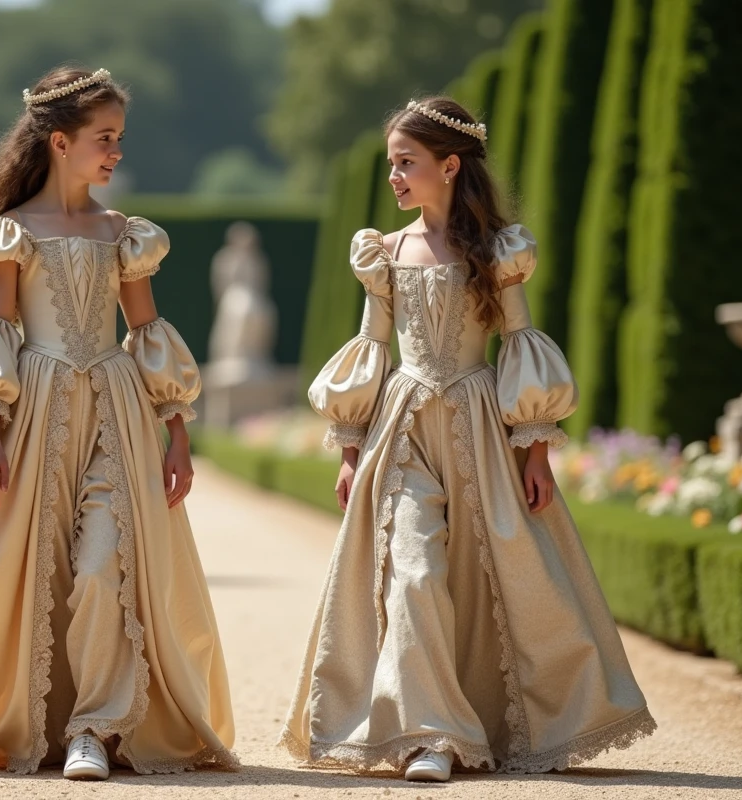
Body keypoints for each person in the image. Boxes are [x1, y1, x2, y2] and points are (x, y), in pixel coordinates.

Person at [0, 66, 237, 781]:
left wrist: (176, 431)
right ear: (60, 142)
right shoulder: (8, 233)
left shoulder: (126, 234)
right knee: (35, 574)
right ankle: (53, 723)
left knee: (100, 567)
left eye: (119, 137)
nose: (116, 151)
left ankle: (95, 727)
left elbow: (146, 332)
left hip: (116, 411)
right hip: (35, 412)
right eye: (105, 138)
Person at [280, 97, 655, 782]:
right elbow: (372, 347)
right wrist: (349, 446)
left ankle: (500, 718)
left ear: (449, 166)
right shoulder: (383, 252)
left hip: (482, 427)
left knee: (502, 578)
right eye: (392, 163)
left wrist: (536, 448)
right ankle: (431, 736)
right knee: (413, 572)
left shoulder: (501, 252)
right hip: (404, 430)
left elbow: (520, 345)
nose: (393, 176)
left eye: (406, 163)